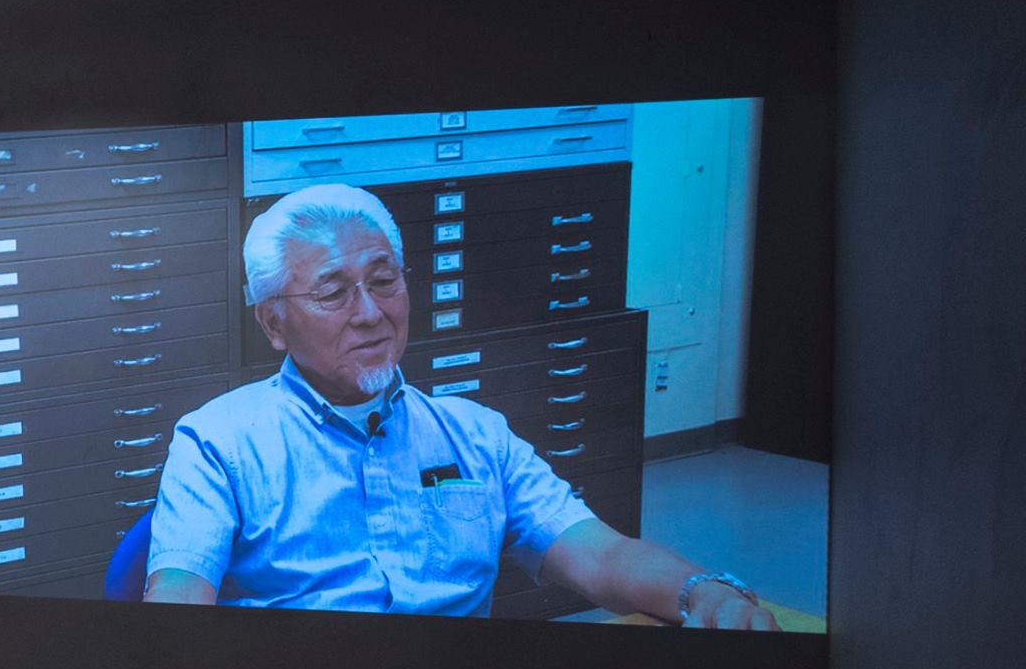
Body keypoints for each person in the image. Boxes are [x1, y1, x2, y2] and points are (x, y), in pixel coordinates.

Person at [142, 182, 779, 629]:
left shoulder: (475, 435)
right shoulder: (217, 442)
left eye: (385, 280)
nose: (371, 314)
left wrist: (703, 590)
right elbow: (177, 597)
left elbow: (602, 554)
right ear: (274, 323)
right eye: (333, 292)